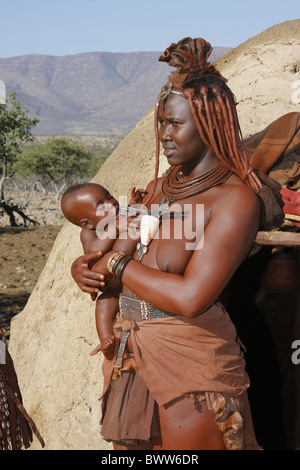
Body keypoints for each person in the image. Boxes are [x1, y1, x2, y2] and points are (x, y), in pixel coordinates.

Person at [70, 38, 284, 450]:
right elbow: (117, 269)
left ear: (208, 125)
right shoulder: (154, 190)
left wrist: (116, 264)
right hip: (130, 355)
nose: (164, 135)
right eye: (161, 122)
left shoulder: (233, 201)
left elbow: (190, 297)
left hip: (191, 361)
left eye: (175, 124)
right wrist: (87, 272)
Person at [61, 182, 146, 359]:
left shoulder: (120, 216)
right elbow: (94, 254)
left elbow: (132, 215)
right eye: (102, 205)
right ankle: (107, 340)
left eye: (109, 196)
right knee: (104, 303)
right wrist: (113, 228)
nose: (112, 204)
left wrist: (135, 203)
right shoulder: (88, 234)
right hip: (112, 287)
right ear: (87, 223)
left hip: (131, 280)